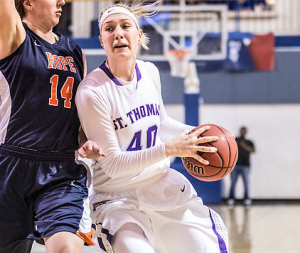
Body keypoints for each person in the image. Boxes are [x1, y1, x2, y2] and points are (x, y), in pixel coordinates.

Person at [75, 2, 229, 253]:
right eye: (109, 29)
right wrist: (169, 149)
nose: (118, 33)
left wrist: (198, 136)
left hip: (161, 183)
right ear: (102, 40)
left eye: (125, 26)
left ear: (139, 35)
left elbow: (160, 122)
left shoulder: (150, 72)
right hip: (117, 197)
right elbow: (113, 165)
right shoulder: (92, 91)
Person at [0, 0, 103, 252]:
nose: (62, 1)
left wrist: (86, 140)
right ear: (28, 3)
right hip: (10, 166)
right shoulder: (13, 35)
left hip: (61, 170)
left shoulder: (75, 52)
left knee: (65, 248)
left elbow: (78, 115)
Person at [227, 126, 255, 206]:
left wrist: (243, 145)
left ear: (246, 132)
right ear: (239, 131)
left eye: (244, 131)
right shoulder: (235, 140)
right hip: (235, 165)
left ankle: (246, 199)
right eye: (241, 131)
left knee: (246, 183)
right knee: (233, 183)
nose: (242, 132)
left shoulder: (249, 142)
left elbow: (252, 150)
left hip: (245, 165)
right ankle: (231, 199)